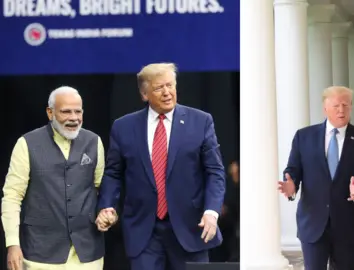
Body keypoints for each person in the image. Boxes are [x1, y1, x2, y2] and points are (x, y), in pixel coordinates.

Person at [96, 63, 226, 270]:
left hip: (190, 227)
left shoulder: (200, 121)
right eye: (159, 88)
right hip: (143, 230)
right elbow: (113, 172)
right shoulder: (123, 127)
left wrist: (211, 211)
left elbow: (215, 171)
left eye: (170, 85)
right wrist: (108, 205)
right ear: (144, 94)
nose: (167, 92)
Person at [1, 86, 105, 270]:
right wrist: (12, 244)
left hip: (87, 254)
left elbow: (102, 189)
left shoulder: (94, 142)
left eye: (78, 111)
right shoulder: (26, 143)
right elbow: (12, 197)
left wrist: (107, 212)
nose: (74, 118)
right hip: (39, 254)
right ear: (50, 113)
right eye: (66, 111)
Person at [278, 86, 354, 270]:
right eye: (336, 106)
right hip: (313, 222)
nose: (341, 110)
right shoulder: (304, 137)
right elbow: (293, 170)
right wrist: (291, 186)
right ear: (325, 108)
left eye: (346, 105)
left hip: (349, 224)